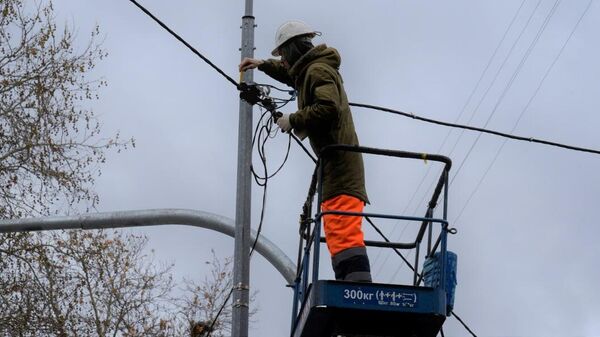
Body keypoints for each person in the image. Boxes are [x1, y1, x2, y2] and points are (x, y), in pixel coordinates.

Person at [239, 20, 372, 282]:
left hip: (341, 164)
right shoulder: (310, 70)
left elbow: (328, 107)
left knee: (342, 227)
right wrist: (262, 64)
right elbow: (293, 75)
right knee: (335, 226)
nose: (283, 62)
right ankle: (349, 286)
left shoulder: (318, 71)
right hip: (335, 164)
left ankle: (357, 292)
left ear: (292, 51)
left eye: (283, 56)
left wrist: (294, 119)